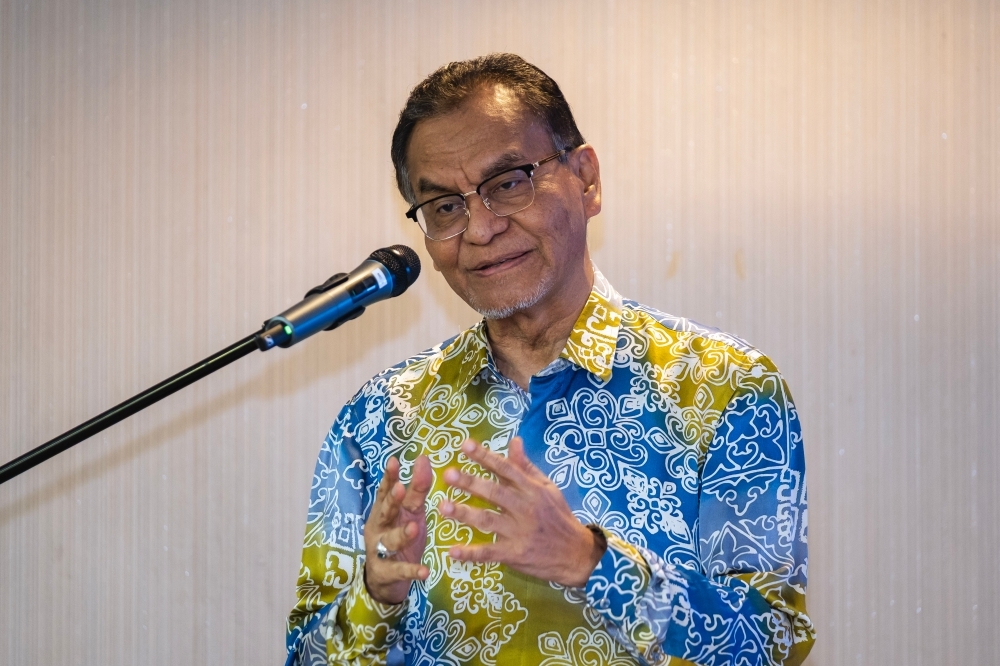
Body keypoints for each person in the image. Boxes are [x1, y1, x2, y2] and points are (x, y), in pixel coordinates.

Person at [285, 53, 814, 666]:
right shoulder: (381, 417)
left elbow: (772, 644)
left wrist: (590, 561)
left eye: (508, 183)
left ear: (586, 179)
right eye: (446, 206)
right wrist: (377, 596)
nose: (479, 229)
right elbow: (304, 657)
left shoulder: (725, 387)